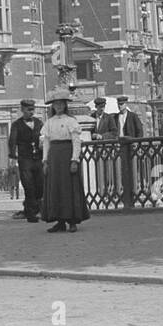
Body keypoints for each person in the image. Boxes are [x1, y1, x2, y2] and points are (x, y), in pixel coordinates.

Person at [41, 88, 90, 233]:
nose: (58, 107)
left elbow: (76, 141)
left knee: (69, 188)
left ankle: (72, 220)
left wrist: (74, 160)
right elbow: (46, 142)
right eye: (56, 105)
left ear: (65, 105)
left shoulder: (71, 121)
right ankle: (59, 221)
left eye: (61, 104)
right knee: (55, 188)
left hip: (66, 155)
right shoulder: (49, 123)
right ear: (53, 107)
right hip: (54, 157)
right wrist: (45, 161)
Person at [7, 99, 44, 223]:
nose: (31, 112)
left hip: (38, 159)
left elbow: (45, 138)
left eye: (32, 110)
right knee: (29, 186)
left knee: (40, 186)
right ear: (22, 110)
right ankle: (31, 214)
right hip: (25, 160)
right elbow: (12, 141)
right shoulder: (16, 125)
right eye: (28, 110)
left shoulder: (39, 123)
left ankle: (37, 209)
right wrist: (13, 156)